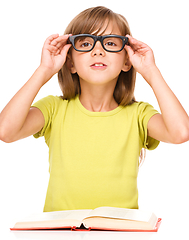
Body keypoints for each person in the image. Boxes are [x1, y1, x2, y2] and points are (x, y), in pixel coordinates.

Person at [0, 6, 188, 212]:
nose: (98, 50)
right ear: (70, 62)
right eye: (86, 43)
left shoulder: (138, 114)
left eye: (109, 43)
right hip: (60, 232)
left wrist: (151, 71)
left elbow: (180, 133)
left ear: (127, 61)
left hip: (120, 231)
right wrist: (44, 70)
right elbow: (6, 131)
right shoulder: (54, 109)